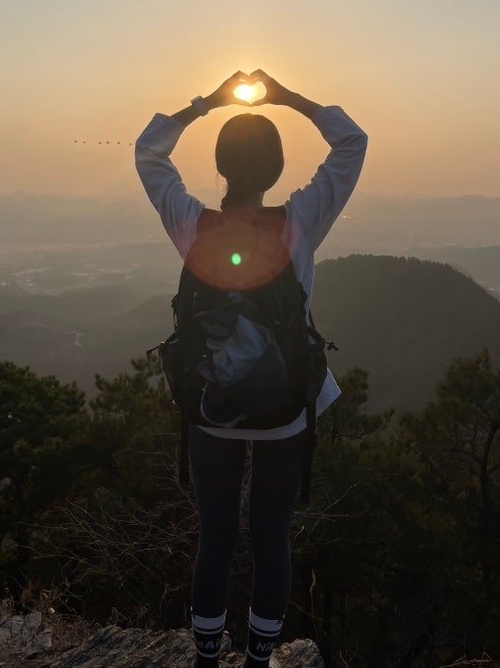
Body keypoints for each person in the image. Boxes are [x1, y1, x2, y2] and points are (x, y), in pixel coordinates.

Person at [134, 69, 368, 668]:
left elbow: (147, 151)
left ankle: (207, 658)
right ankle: (261, 660)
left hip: (211, 409)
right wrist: (290, 98)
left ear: (220, 167)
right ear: (276, 170)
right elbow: (352, 142)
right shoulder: (299, 223)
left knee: (216, 538)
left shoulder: (192, 226)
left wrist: (204, 104)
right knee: (271, 537)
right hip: (287, 412)